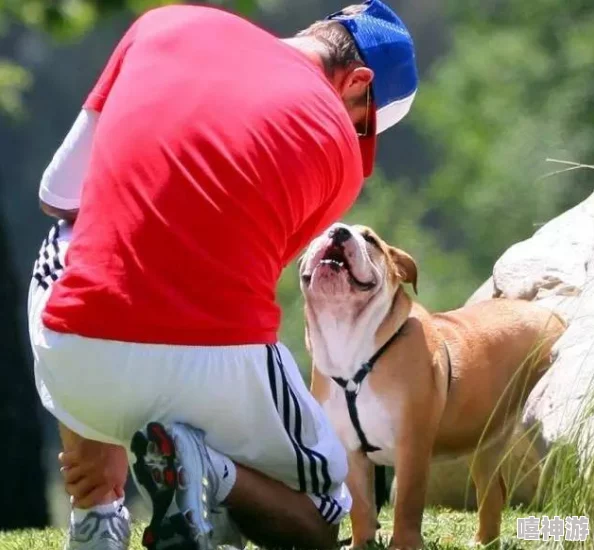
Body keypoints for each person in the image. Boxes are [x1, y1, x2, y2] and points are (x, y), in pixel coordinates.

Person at [28, 1, 418, 549]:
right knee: (322, 513)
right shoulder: (342, 161)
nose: (353, 137)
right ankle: (211, 469)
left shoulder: (165, 22)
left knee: (68, 241)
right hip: (216, 360)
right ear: (358, 82)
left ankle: (97, 513)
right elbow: (230, 267)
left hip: (83, 360)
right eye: (362, 123)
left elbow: (57, 195)